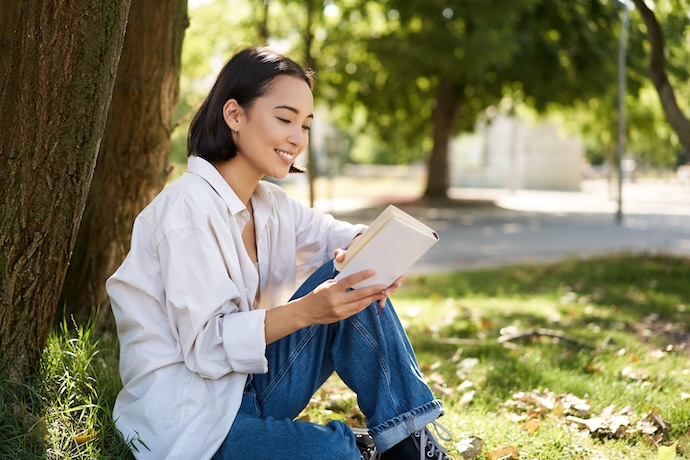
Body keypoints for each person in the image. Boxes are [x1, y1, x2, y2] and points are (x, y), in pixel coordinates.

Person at [107, 46, 453, 460]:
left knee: (354, 278)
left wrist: (378, 253)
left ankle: (408, 441)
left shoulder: (269, 203)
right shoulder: (185, 211)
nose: (297, 138)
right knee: (333, 455)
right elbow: (206, 348)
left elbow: (333, 237)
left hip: (253, 388)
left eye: (305, 125)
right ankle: (357, 449)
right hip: (191, 423)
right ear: (234, 115)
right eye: (285, 119)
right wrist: (310, 310)